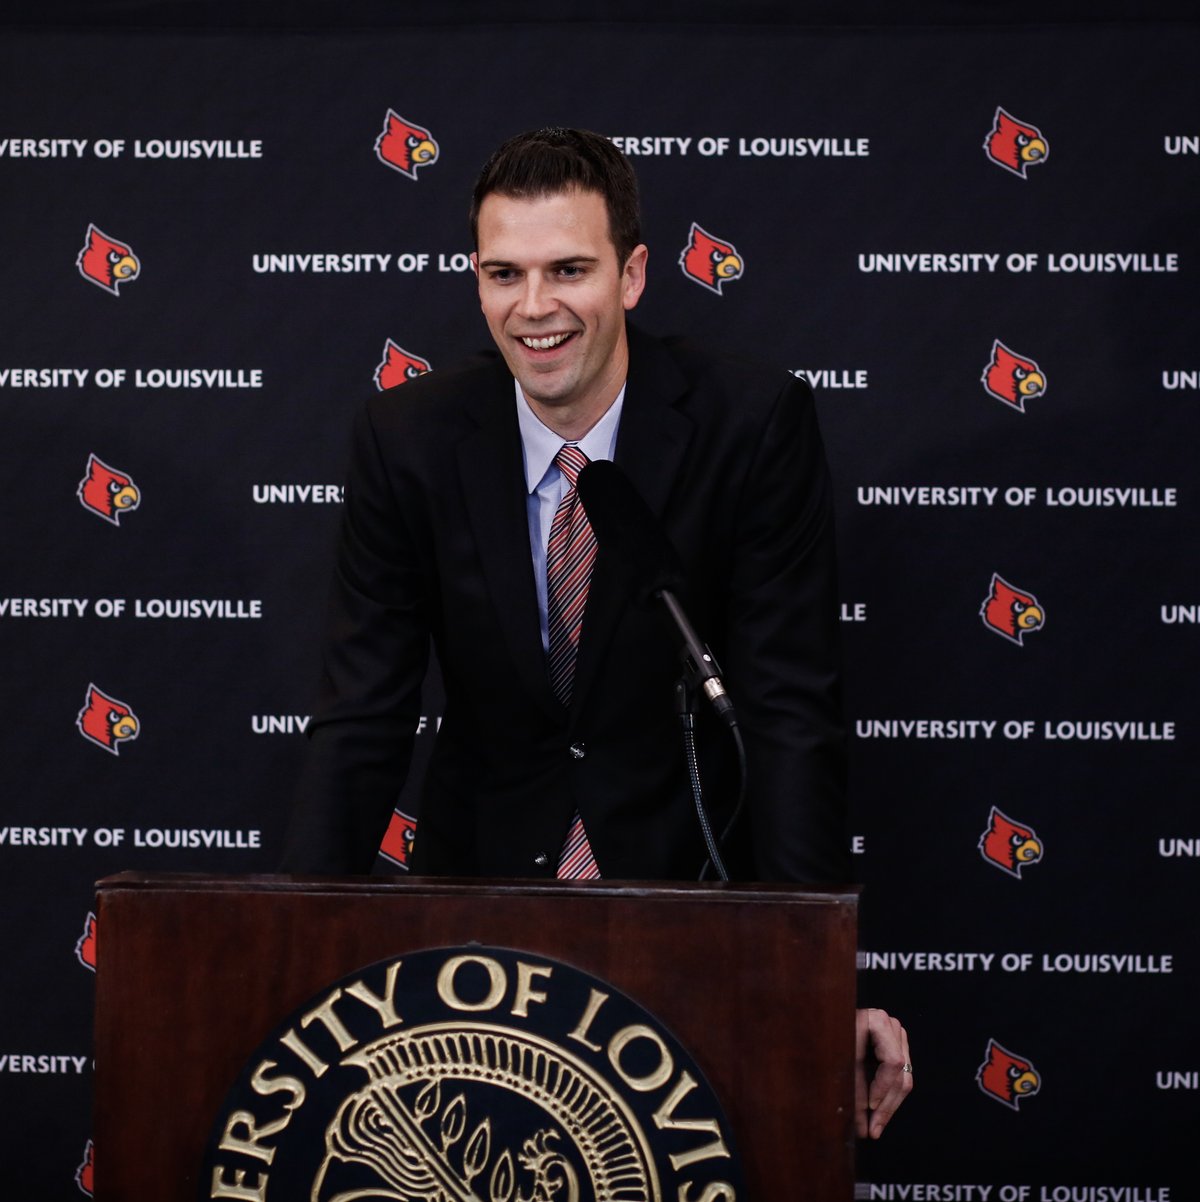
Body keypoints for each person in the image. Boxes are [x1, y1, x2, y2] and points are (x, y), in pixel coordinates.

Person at [282, 127, 912, 1137]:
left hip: (690, 905)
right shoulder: (407, 439)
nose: (534, 308)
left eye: (569, 269)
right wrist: (286, 961)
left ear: (633, 273)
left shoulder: (751, 423)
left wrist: (814, 977)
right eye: (505, 273)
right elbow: (361, 716)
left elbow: (790, 715)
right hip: (476, 913)